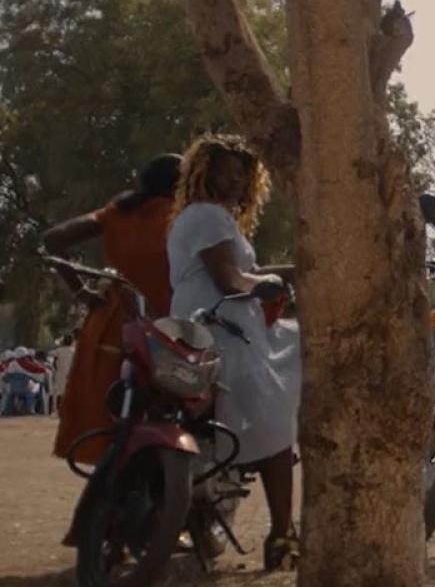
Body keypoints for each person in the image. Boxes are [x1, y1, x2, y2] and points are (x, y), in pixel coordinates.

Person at [166, 134, 301, 569]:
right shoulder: (208, 216)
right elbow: (230, 280)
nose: (238, 178)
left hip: (212, 325)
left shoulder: (204, 217)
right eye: (229, 170)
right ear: (206, 172)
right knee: (277, 426)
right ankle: (282, 535)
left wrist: (289, 272)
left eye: (243, 172)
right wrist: (269, 285)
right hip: (222, 330)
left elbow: (243, 271)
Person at [43, 154, 181, 462]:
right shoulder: (183, 216)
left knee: (108, 411)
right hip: (172, 322)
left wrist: (80, 291)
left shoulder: (117, 212)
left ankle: (109, 478)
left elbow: (53, 239)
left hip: (115, 321)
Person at [49, 332, 77, 416]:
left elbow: (51, 354)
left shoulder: (59, 351)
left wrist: (58, 344)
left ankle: (59, 411)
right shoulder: (74, 350)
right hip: (71, 374)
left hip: (60, 374)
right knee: (70, 393)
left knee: (59, 394)